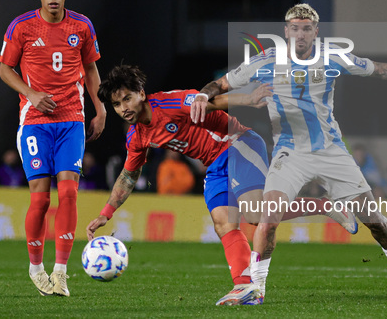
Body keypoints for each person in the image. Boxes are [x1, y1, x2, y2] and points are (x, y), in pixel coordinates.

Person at [191, 3, 387, 304]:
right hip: (289, 153)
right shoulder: (264, 61)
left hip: (331, 151)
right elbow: (219, 84)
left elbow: (381, 70)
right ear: (286, 31)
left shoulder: (333, 57)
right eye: (294, 28)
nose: (300, 33)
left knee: (375, 221)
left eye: (306, 28)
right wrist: (202, 94)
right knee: (267, 219)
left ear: (315, 32)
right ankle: (256, 289)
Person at [85, 65, 355, 306]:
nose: (124, 108)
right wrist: (105, 214)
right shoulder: (136, 136)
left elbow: (211, 101)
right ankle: (245, 285)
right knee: (223, 222)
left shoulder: (169, 104)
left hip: (238, 143)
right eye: (117, 104)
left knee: (252, 214)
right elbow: (128, 176)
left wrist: (248, 98)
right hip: (213, 165)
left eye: (127, 98)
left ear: (141, 93)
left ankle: (326, 205)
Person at [0, 0, 106, 297]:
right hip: (34, 122)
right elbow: (5, 69)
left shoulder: (82, 26)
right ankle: (36, 268)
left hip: (71, 118)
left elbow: (90, 68)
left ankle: (60, 272)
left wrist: (100, 106)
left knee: (70, 192)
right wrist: (30, 94)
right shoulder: (22, 27)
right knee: (42, 199)